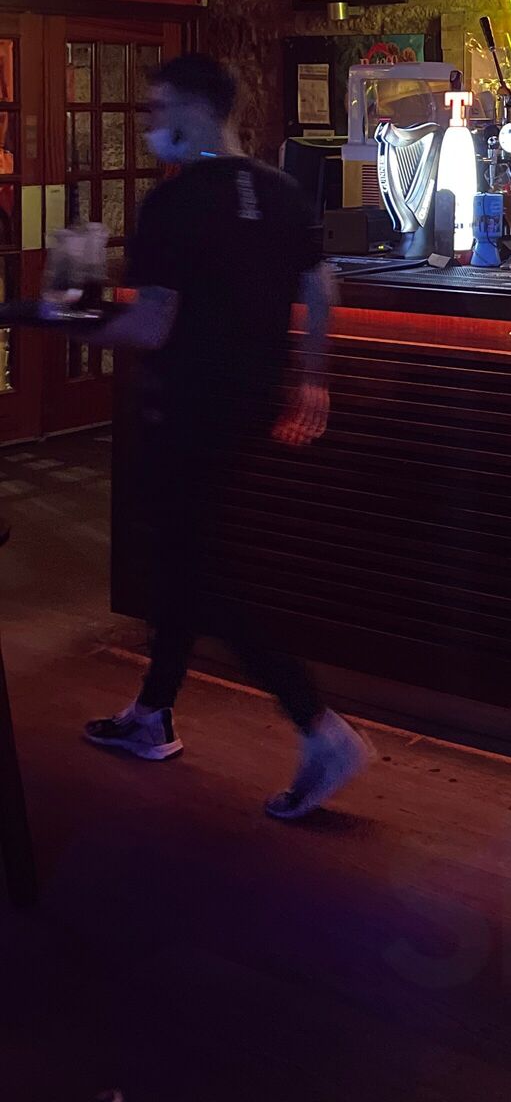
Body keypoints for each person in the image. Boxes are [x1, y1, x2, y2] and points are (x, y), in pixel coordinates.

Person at [83, 52, 371, 820]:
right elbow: (321, 283)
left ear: (194, 109)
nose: (149, 123)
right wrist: (311, 377)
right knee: (185, 558)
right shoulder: (280, 191)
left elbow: (151, 324)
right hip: (244, 406)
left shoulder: (172, 204)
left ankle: (317, 724)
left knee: (198, 571)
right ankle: (153, 714)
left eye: (157, 108)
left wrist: (67, 323)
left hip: (182, 407)